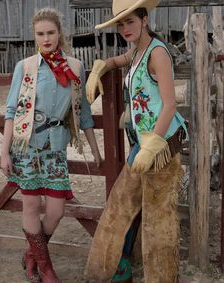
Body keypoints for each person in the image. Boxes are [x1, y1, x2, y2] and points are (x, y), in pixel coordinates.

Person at [84, 0, 188, 282]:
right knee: (120, 206)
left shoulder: (157, 54)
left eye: (130, 21)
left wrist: (152, 145)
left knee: (158, 221)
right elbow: (120, 60)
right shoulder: (138, 51)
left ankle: (161, 278)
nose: (125, 28)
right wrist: (100, 68)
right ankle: (117, 268)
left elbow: (169, 105)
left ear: (144, 19)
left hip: (161, 146)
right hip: (142, 146)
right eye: (121, 24)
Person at [1, 7, 101, 283]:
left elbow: (83, 114)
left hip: (55, 148)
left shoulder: (76, 67)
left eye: (51, 33)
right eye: (40, 34)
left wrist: (94, 150)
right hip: (27, 147)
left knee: (56, 211)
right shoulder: (26, 67)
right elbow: (11, 111)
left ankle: (33, 254)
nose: (46, 39)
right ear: (35, 36)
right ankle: (46, 269)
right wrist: (4, 153)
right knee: (31, 207)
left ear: (60, 33)